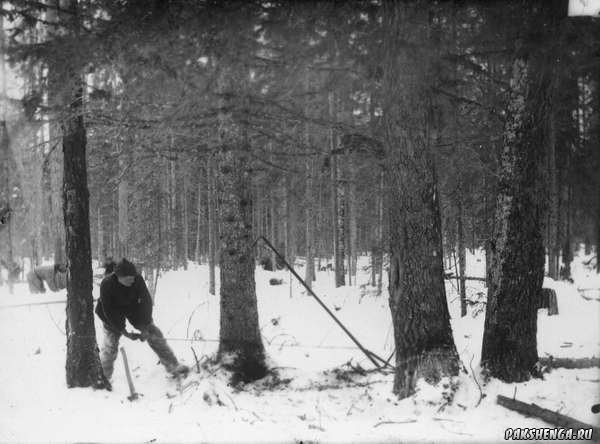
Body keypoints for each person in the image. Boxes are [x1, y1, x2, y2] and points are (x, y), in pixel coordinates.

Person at [95, 258, 188, 380]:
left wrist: (146, 325)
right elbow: (108, 311)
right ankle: (103, 378)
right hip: (110, 313)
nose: (132, 280)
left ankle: (172, 365)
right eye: (129, 279)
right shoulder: (107, 284)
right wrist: (123, 331)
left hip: (131, 307)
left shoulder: (137, 279)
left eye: (133, 277)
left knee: (154, 333)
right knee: (110, 345)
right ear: (119, 277)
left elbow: (146, 302)